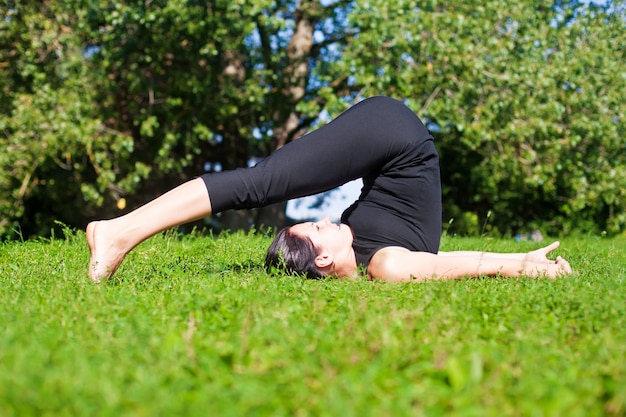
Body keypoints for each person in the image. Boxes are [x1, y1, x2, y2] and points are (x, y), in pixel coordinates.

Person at [87, 96, 572, 283]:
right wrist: (522, 264)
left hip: (387, 136)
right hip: (394, 136)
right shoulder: (384, 264)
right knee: (261, 185)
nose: (325, 218)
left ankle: (119, 231)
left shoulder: (365, 252)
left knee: (263, 184)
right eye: (316, 228)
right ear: (322, 259)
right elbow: (455, 263)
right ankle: (118, 232)